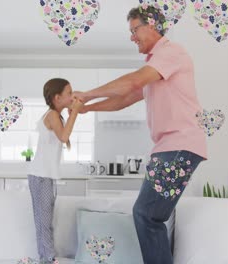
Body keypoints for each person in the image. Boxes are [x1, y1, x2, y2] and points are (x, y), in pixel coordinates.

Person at [73, 5, 207, 264]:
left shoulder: (170, 53)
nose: (132, 36)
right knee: (150, 215)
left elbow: (133, 82)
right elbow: (126, 97)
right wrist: (87, 108)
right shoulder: (156, 66)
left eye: (135, 30)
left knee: (147, 214)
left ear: (153, 25)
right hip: (169, 146)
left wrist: (87, 93)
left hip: (180, 144)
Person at [23, 78, 83, 264]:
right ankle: (48, 259)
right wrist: (76, 113)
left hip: (43, 175)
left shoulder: (54, 115)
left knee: (44, 221)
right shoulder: (52, 115)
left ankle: (45, 258)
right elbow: (64, 137)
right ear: (57, 97)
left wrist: (73, 112)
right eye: (69, 93)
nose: (73, 96)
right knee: (44, 221)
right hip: (41, 175)